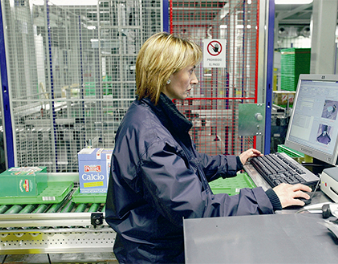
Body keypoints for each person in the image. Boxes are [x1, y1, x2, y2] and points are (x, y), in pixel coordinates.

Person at [105, 32, 312, 264]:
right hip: (156, 254)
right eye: (190, 71)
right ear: (165, 74)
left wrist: (234, 162)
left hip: (158, 242)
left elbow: (185, 163)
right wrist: (268, 199)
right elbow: (194, 208)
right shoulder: (151, 135)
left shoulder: (151, 114)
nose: (194, 80)